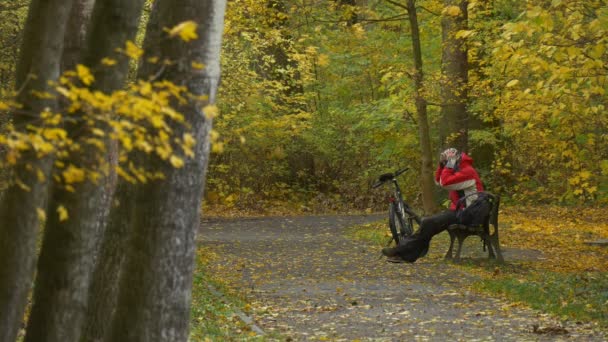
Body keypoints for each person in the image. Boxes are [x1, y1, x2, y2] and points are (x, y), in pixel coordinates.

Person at [382, 147, 484, 263]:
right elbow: (438, 181)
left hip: (469, 214)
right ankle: (403, 255)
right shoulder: (461, 169)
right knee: (428, 225)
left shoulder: (467, 172)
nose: (447, 165)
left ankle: (399, 252)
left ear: (455, 161)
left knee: (428, 223)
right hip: (462, 211)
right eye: (446, 162)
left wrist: (449, 164)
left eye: (448, 162)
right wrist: (441, 166)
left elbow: (445, 182)